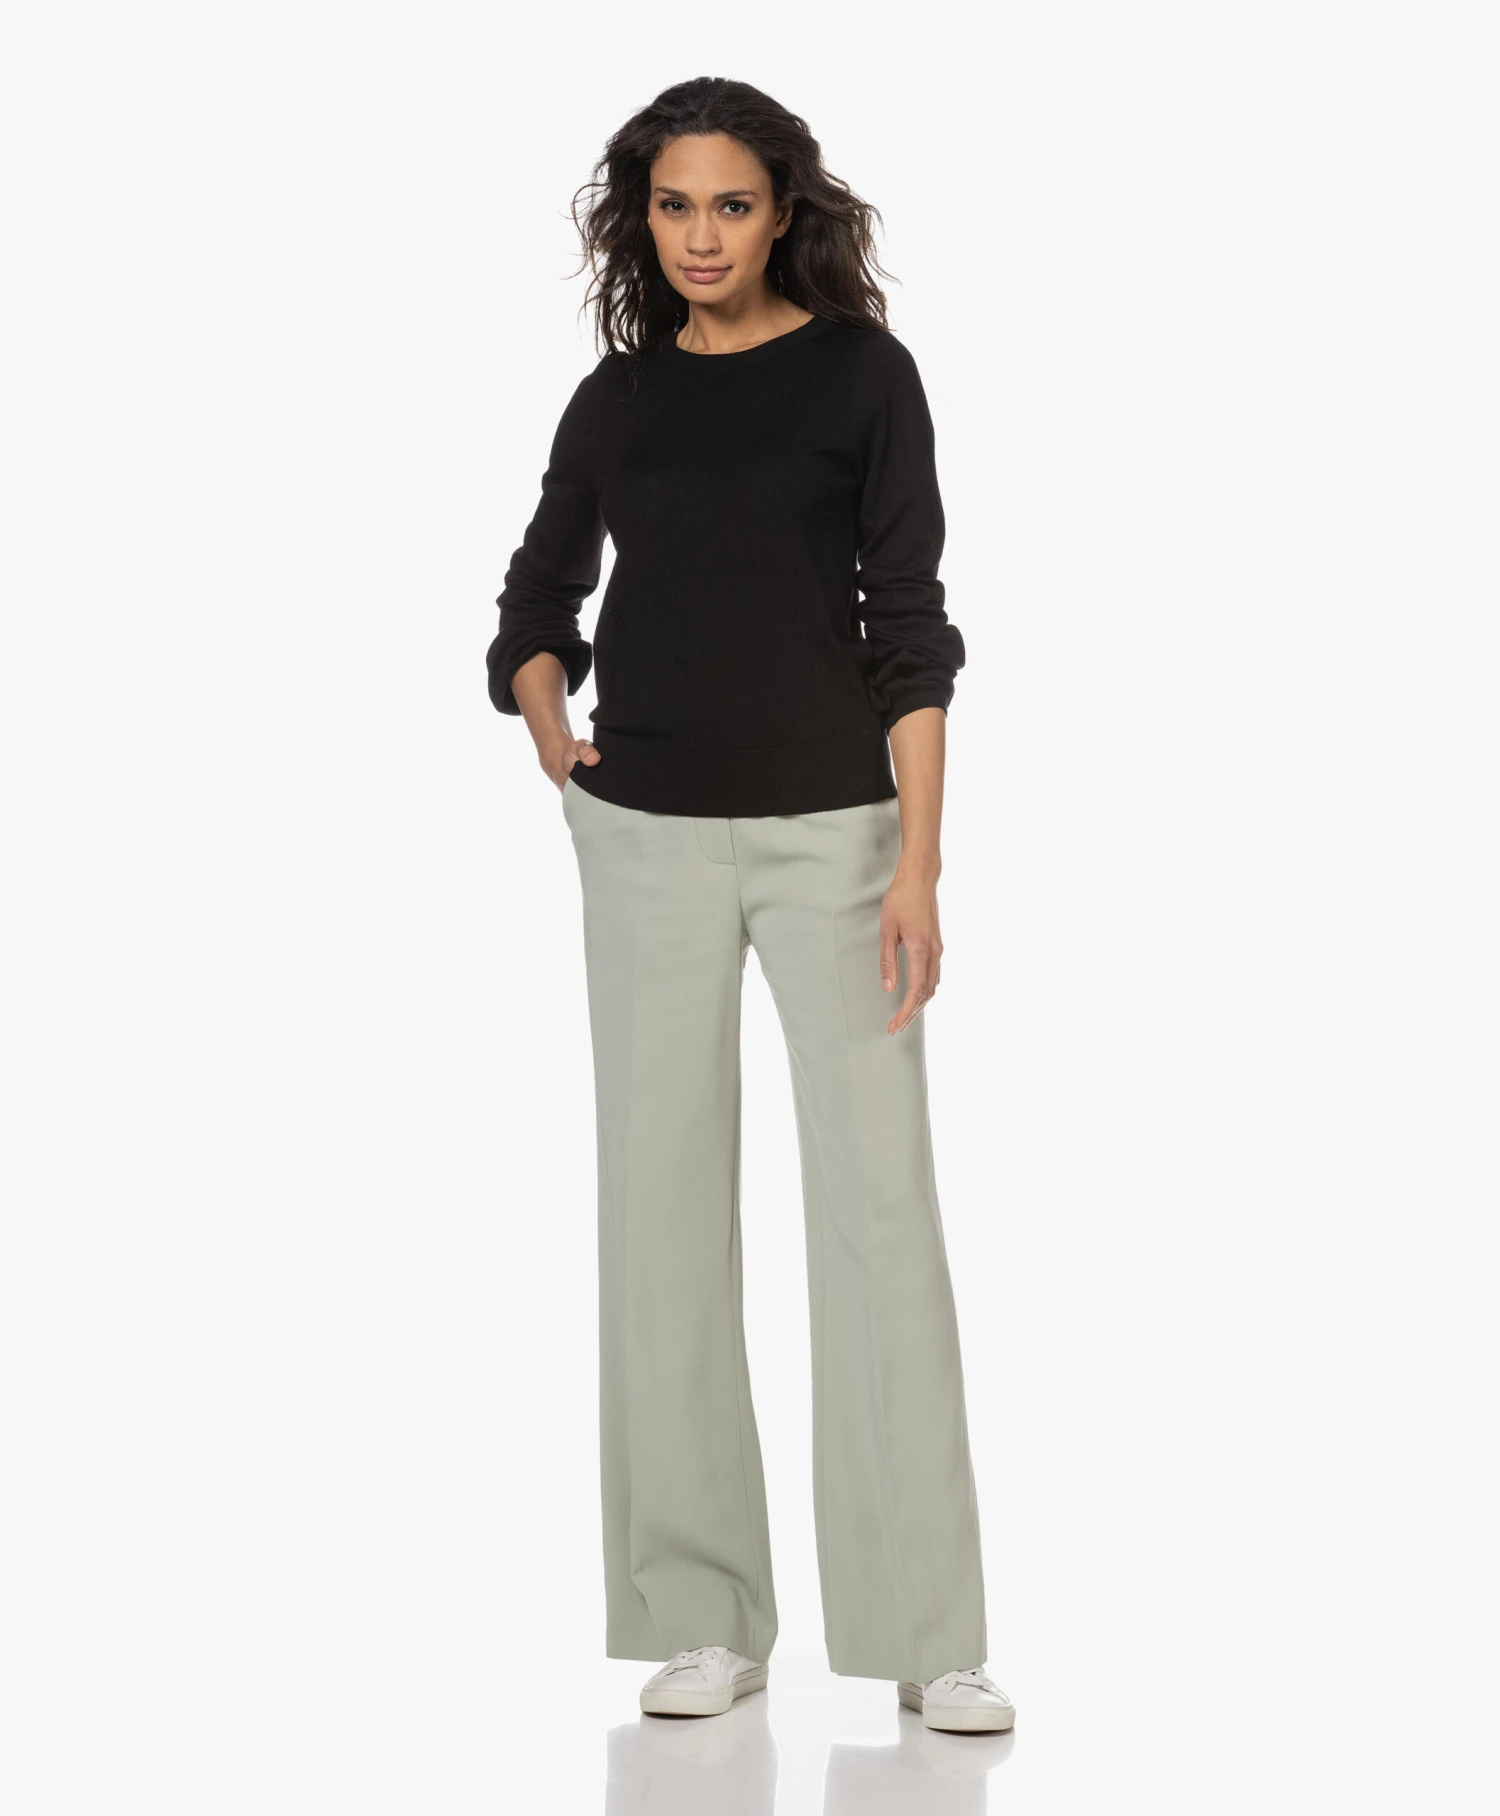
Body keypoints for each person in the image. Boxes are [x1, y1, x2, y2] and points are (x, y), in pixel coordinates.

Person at [485, 75, 1013, 1736]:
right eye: (672, 205)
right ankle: (702, 1615)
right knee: (659, 1218)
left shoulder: (863, 377)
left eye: (730, 204)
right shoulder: (618, 399)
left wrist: (919, 862)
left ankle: (929, 1632)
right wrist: (547, 710)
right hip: (642, 836)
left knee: (879, 1212)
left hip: (837, 837)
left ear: (784, 210)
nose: (700, 236)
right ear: (639, 219)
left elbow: (909, 622)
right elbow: (536, 593)